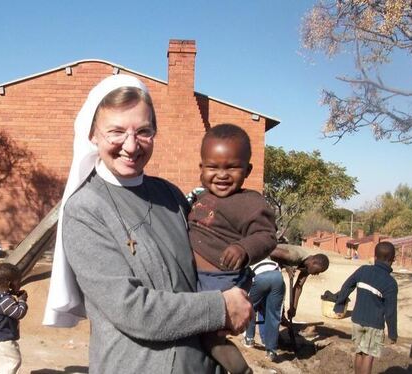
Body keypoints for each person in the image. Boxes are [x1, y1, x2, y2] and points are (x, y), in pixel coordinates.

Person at [42, 74, 253, 374]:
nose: (131, 146)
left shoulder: (170, 195)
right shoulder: (85, 210)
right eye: (116, 131)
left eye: (143, 131)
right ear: (92, 135)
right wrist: (220, 308)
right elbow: (133, 310)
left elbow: (207, 261)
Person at [188, 123, 277, 370]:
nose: (222, 174)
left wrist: (244, 247)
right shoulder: (199, 197)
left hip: (221, 280)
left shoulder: (250, 202)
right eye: (213, 167)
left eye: (232, 167)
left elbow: (267, 236)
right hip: (197, 278)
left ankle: (241, 369)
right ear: (201, 169)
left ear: (247, 169)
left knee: (209, 334)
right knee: (190, 329)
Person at [333, 242, 398, 374]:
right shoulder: (390, 283)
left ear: (374, 257)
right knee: (368, 356)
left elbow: (347, 286)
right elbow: (390, 312)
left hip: (357, 320)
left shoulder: (363, 270)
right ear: (392, 260)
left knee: (360, 352)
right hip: (374, 324)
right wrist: (392, 333)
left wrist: (339, 305)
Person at [270, 244, 329, 321]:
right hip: (264, 262)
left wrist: (293, 308)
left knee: (279, 288)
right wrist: (286, 266)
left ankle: (280, 317)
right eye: (318, 271)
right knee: (279, 287)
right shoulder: (295, 255)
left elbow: (298, 287)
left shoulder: (307, 268)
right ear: (314, 263)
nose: (317, 274)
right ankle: (278, 317)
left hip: (273, 269)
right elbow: (269, 251)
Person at [243, 257, 284, 362]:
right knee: (273, 314)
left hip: (261, 277)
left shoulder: (251, 258)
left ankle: (249, 339)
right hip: (278, 278)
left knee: (250, 306)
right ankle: (271, 350)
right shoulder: (270, 259)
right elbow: (279, 307)